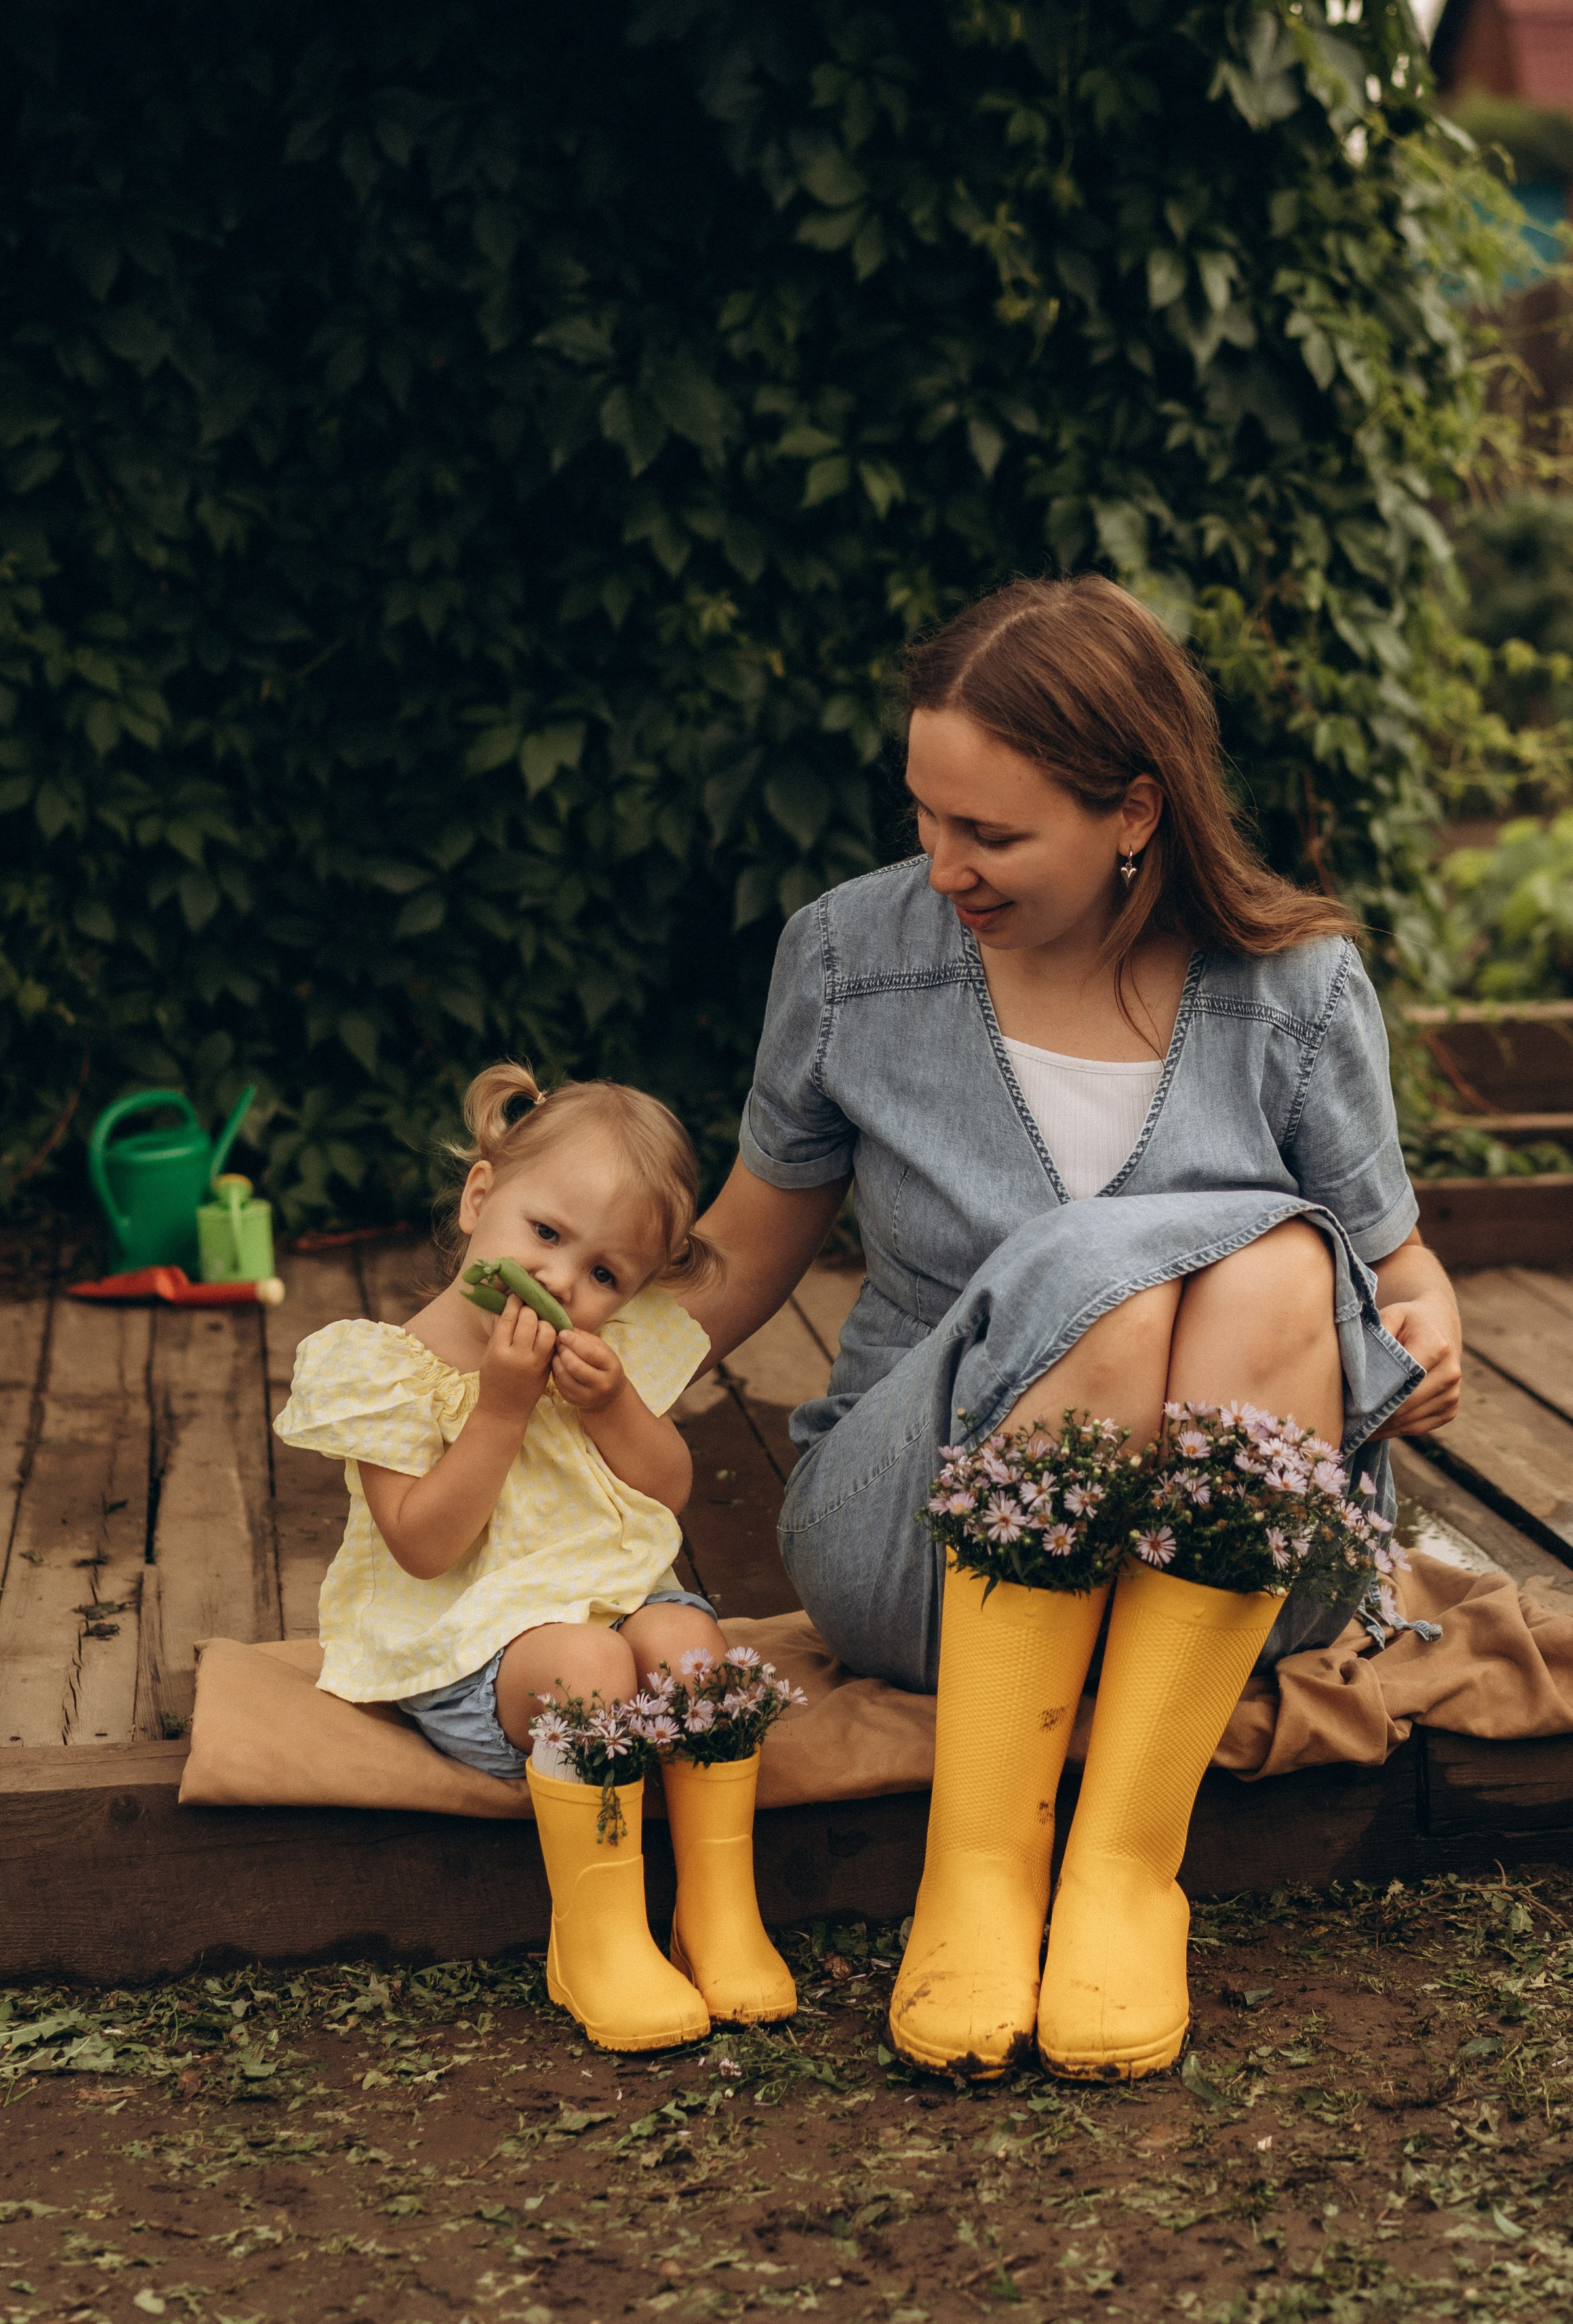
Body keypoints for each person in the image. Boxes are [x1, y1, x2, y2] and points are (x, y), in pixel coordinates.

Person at [679, 574, 1462, 2083]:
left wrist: (1424, 1337)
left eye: (989, 833)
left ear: (1132, 811)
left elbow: (1403, 1274)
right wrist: (532, 1343)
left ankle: (1119, 1875)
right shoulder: (850, 958)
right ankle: (976, 1875)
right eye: (925, 816)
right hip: (918, 1548)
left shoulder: (1293, 988)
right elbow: (733, 1260)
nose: (941, 863)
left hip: (1229, 1585)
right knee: (1124, 1281)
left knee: (1282, 1272)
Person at [273, 1069, 796, 2051]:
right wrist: (504, 1407)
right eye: (546, 1237)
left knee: (695, 1647)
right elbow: (424, 1544)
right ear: (481, 1199)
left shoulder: (606, 1354)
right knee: (595, 1663)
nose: (562, 1283)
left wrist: (613, 1408)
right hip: (470, 1657)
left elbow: (669, 1487)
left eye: (605, 1275)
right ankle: (598, 1940)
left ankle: (717, 1916)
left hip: (603, 1607)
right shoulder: (380, 1366)